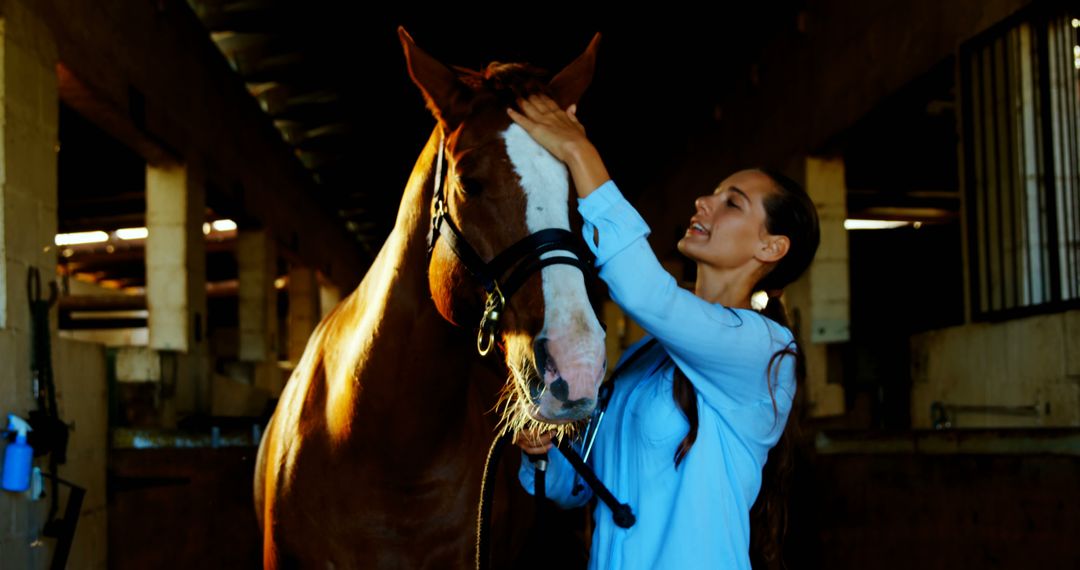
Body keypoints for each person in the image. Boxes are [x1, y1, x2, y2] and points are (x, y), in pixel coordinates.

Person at [506, 93, 820, 570]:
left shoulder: (765, 351)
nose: (704, 202)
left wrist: (580, 154)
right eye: (713, 192)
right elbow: (573, 490)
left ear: (771, 247)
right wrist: (542, 451)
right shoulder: (642, 357)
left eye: (732, 202)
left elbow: (648, 293)